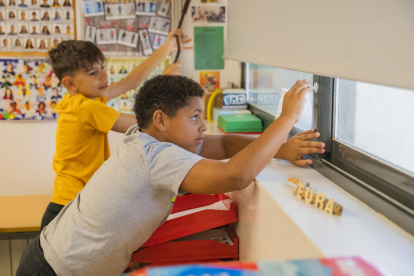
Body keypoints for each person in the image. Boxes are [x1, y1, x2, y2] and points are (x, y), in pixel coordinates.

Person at [16, 75, 323, 275]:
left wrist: (280, 149)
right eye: (194, 117)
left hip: (54, 255)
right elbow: (235, 175)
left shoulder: (144, 137)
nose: (203, 126)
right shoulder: (156, 156)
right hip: (54, 268)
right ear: (160, 120)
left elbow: (226, 143)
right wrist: (287, 117)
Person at [32, 29, 189, 233]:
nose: (104, 76)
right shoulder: (86, 108)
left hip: (70, 202)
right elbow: (146, 126)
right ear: (70, 84)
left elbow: (131, 81)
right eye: (93, 73)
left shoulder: (78, 100)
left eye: (102, 67)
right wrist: (164, 83)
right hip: (69, 207)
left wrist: (166, 48)